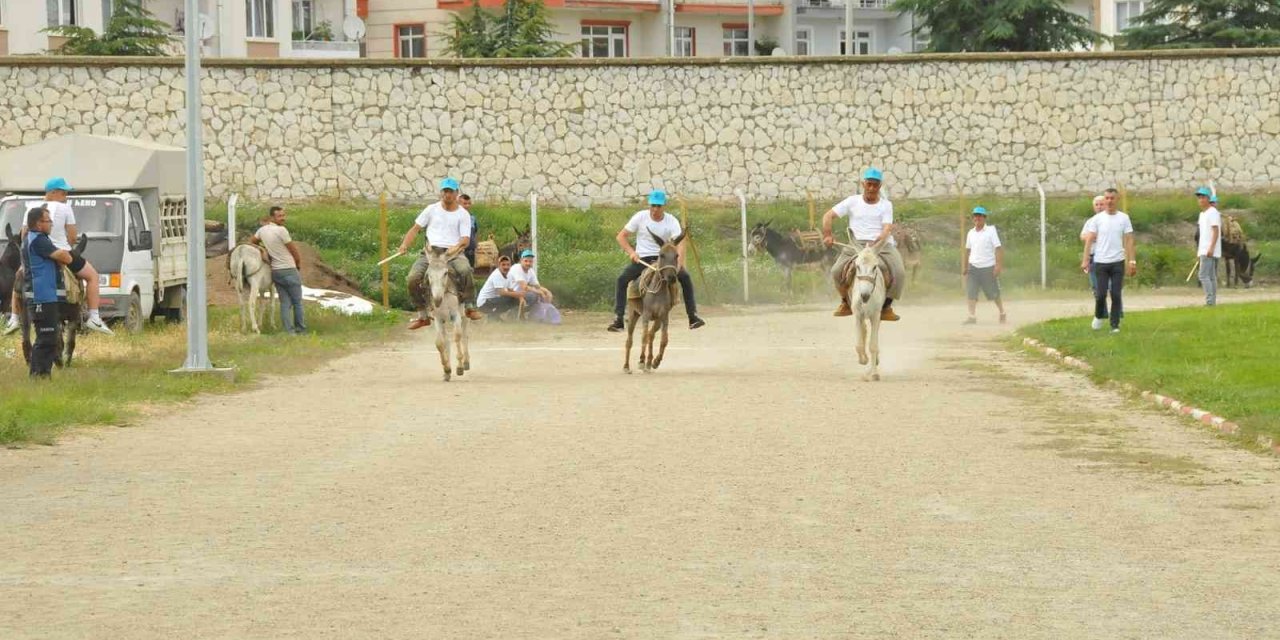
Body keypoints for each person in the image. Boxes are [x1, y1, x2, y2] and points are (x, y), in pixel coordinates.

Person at [4, 177, 113, 336]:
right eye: (63, 193)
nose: (66, 197)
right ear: (53, 193)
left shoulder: (31, 207)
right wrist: (65, 246)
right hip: (62, 252)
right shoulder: (65, 208)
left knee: (19, 277)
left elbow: (24, 234)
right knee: (92, 276)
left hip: (37, 253)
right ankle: (94, 317)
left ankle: (14, 318)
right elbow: (72, 236)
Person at [606, 190, 705, 332]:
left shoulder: (671, 220)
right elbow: (621, 236)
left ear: (664, 206)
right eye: (653, 205)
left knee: (686, 277)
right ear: (649, 205)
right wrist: (632, 252)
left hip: (665, 259)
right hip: (643, 259)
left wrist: (679, 264)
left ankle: (693, 317)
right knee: (622, 279)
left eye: (658, 206)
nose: (655, 209)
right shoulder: (640, 217)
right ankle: (619, 319)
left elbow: (681, 243)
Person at [821, 167, 906, 321]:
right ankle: (845, 303)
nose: (872, 188)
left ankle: (886, 307)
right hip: (856, 245)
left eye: (875, 185)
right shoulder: (852, 201)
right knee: (835, 271)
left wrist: (881, 237)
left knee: (899, 272)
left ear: (880, 186)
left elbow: (887, 227)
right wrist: (827, 234)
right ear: (863, 184)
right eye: (869, 184)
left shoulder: (886, 205)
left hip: (881, 245)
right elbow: (828, 216)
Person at [399, 177, 483, 330]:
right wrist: (404, 245)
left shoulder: (462, 214)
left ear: (456, 193)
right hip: (430, 253)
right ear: (441, 193)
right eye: (445, 191)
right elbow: (415, 229)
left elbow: (465, 239)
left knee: (465, 270)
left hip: (453, 253)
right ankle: (423, 314)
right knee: (413, 278)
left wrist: (456, 247)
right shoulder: (431, 209)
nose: (447, 195)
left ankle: (470, 305)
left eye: (450, 191)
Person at [23, 206, 75, 378]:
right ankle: (38, 376)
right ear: (39, 224)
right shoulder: (38, 240)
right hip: (40, 297)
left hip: (46, 296)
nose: (52, 224)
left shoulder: (38, 238)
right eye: (48, 220)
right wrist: (63, 256)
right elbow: (66, 258)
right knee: (46, 338)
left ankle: (43, 375)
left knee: (50, 337)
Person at [1081, 188, 1137, 333]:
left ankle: (1115, 325)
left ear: (1117, 199)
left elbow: (1129, 239)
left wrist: (1132, 261)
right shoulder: (1097, 219)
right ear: (1104, 200)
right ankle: (1099, 316)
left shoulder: (1123, 218)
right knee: (1100, 294)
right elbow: (1089, 239)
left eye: (1112, 198)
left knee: (1116, 294)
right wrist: (1085, 259)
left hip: (1117, 261)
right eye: (1107, 198)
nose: (1109, 201)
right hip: (1100, 262)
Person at [249, 206, 306, 334]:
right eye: (280, 216)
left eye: (283, 215)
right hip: (289, 269)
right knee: (297, 302)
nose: (283, 218)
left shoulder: (262, 231)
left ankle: (289, 332)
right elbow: (293, 250)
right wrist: (297, 264)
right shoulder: (281, 230)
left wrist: (264, 250)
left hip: (276, 271)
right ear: (272, 217)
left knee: (284, 303)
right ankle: (301, 330)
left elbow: (252, 242)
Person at [962, 206, 1006, 324]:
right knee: (971, 292)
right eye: (975, 216)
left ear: (984, 218)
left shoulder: (991, 230)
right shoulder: (970, 233)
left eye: (980, 216)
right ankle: (972, 316)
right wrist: (965, 267)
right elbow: (967, 251)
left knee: (993, 293)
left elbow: (998, 248)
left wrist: (998, 265)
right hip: (974, 267)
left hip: (988, 267)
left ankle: (1002, 312)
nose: (977, 218)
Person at [1194, 187, 1221, 306]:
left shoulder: (1213, 212)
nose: (1200, 200)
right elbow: (1203, 233)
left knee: (1203, 275)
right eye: (1199, 197)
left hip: (1209, 250)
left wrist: (1211, 248)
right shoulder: (1202, 214)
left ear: (1208, 199)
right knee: (1210, 276)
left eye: (1203, 197)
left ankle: (1210, 302)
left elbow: (1215, 231)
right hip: (1203, 249)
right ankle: (1212, 301)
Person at [476, 254, 523, 319]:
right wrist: (519, 294)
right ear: (498, 266)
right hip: (484, 303)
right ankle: (492, 316)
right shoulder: (496, 274)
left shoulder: (509, 274)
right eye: (503, 265)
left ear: (510, 265)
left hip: (494, 300)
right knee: (509, 299)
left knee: (513, 299)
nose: (506, 267)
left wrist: (520, 298)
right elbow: (501, 292)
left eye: (508, 264)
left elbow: (510, 290)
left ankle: (495, 316)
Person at [1081, 195, 1105, 292]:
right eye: (1097, 205)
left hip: (1106, 254)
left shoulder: (1111, 220)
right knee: (1095, 283)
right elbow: (1083, 236)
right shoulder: (1090, 221)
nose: (1099, 207)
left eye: (1101, 204)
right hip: (1093, 255)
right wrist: (1092, 237)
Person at [459, 193, 479, 268]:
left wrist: (476, 245)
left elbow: (475, 232)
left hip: (470, 251)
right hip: (459, 251)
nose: (467, 206)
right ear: (458, 204)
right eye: (465, 203)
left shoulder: (472, 217)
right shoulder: (455, 217)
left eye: (469, 203)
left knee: (470, 270)